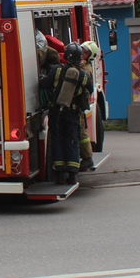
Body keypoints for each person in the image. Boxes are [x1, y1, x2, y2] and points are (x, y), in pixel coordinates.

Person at [41, 42, 93, 184]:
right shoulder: (84, 75)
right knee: (72, 140)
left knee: (57, 140)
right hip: (73, 113)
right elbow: (91, 89)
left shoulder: (56, 70)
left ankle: (60, 173)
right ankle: (73, 174)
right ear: (79, 57)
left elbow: (44, 84)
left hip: (56, 112)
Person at [77, 41, 99, 171]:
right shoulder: (82, 65)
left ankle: (87, 159)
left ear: (90, 56)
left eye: (85, 52)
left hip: (79, 104)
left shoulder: (85, 69)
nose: (82, 53)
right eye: (82, 50)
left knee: (82, 133)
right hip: (79, 103)